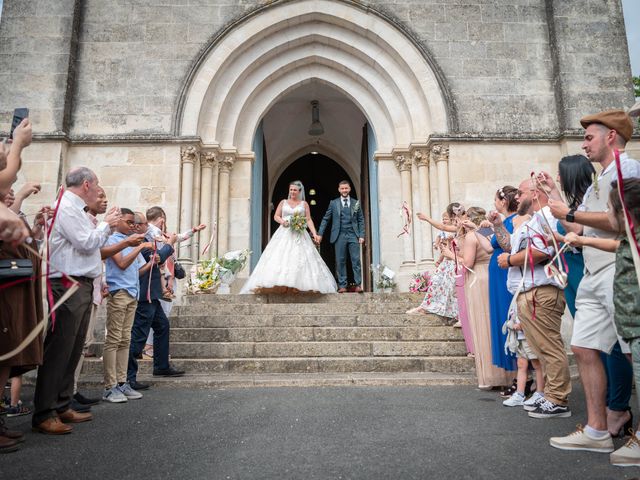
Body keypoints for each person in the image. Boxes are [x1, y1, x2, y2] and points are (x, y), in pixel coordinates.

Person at [548, 110, 640, 452]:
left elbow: (622, 222)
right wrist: (554, 201)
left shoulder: (628, 170)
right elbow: (580, 228)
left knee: (633, 352)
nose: (584, 144)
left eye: (589, 137)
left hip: (618, 269)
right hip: (591, 273)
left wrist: (569, 214)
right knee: (584, 346)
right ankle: (597, 431)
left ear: (611, 137)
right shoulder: (600, 179)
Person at [32, 167, 121, 435]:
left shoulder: (76, 208)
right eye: (96, 186)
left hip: (81, 282)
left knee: (73, 348)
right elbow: (85, 242)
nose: (98, 190)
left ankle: (61, 404)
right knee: (60, 348)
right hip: (67, 283)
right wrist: (108, 224)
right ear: (86, 185)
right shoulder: (67, 207)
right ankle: (44, 412)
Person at [494, 177, 571, 418]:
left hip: (542, 292)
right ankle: (548, 393)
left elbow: (542, 251)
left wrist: (509, 261)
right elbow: (511, 246)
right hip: (528, 293)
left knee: (549, 347)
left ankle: (558, 398)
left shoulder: (547, 215)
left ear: (536, 193)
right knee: (540, 348)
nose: (517, 197)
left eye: (522, 192)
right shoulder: (531, 220)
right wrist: (498, 225)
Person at [446, 207, 511, 389]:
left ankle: (491, 377)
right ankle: (507, 374)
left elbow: (467, 263)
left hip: (477, 279)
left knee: (482, 326)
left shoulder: (471, 236)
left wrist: (450, 255)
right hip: (493, 276)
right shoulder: (490, 231)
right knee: (496, 324)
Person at [241, 180, 336, 294]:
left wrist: (315, 233)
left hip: (299, 233)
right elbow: (276, 216)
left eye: (295, 190)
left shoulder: (304, 204)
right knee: (281, 256)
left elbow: (308, 219)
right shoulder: (283, 202)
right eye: (291, 189)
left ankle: (297, 285)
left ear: (299, 191)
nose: (292, 192)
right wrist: (283, 222)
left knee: (298, 257)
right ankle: (282, 285)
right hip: (284, 232)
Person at [127, 207, 183, 389]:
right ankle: (128, 377)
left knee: (162, 326)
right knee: (139, 335)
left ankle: (161, 366)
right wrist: (170, 243)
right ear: (137, 226)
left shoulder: (146, 239)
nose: (148, 227)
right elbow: (156, 259)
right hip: (145, 295)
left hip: (152, 293)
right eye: (144, 224)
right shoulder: (138, 242)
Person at [103, 208, 153, 402]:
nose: (132, 226)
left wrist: (151, 263)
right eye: (129, 222)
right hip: (119, 292)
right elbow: (121, 264)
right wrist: (139, 247)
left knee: (125, 339)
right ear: (118, 221)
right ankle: (110, 385)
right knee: (114, 339)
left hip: (132, 292)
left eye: (134, 223)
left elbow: (136, 270)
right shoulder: (112, 240)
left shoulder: (130, 242)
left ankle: (123, 383)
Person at [487, 186, 520, 375]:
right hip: (498, 274)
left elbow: (507, 245)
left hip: (505, 273)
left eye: (495, 199)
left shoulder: (514, 221)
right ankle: (516, 376)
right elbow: (491, 246)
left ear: (504, 201)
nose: (494, 203)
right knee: (502, 317)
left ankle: (523, 376)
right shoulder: (504, 221)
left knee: (509, 317)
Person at [406, 211, 457, 321]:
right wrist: (440, 259)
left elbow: (450, 249)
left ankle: (454, 313)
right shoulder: (450, 230)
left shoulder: (458, 229)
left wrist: (426, 218)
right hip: (447, 262)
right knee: (435, 282)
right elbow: (445, 247)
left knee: (451, 288)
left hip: (454, 262)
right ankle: (424, 307)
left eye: (448, 218)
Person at [317, 180, 365, 293]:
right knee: (340, 260)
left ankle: (358, 284)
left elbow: (360, 220)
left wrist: (362, 235)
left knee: (356, 260)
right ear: (339, 190)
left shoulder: (355, 203)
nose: (344, 190)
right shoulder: (333, 203)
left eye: (346, 188)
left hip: (353, 234)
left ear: (349, 189)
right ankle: (342, 285)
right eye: (342, 188)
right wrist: (320, 233)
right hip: (339, 235)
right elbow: (326, 218)